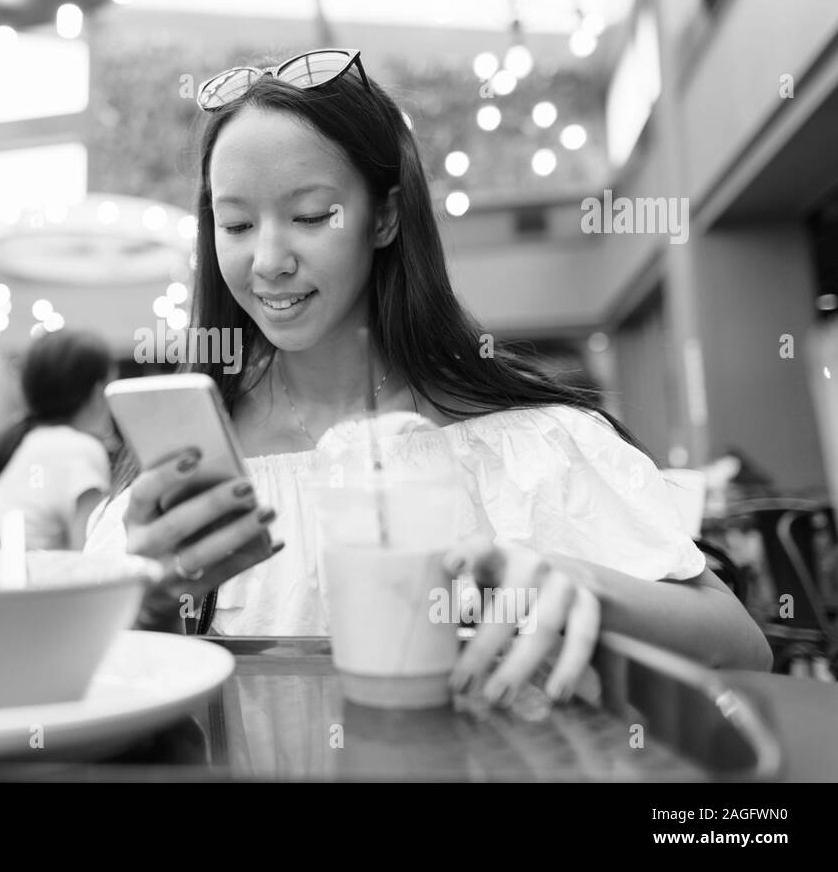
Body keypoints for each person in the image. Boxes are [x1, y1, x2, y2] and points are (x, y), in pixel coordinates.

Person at [83, 48, 772, 707]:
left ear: (383, 216)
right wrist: (148, 602)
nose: (267, 260)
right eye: (235, 223)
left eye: (310, 215)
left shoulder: (527, 444)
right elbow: (93, 687)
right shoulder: (192, 471)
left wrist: (579, 582)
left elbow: (743, 650)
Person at [0, 330, 115, 549]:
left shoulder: (10, 443)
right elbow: (90, 558)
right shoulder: (80, 449)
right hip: (10, 580)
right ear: (98, 392)